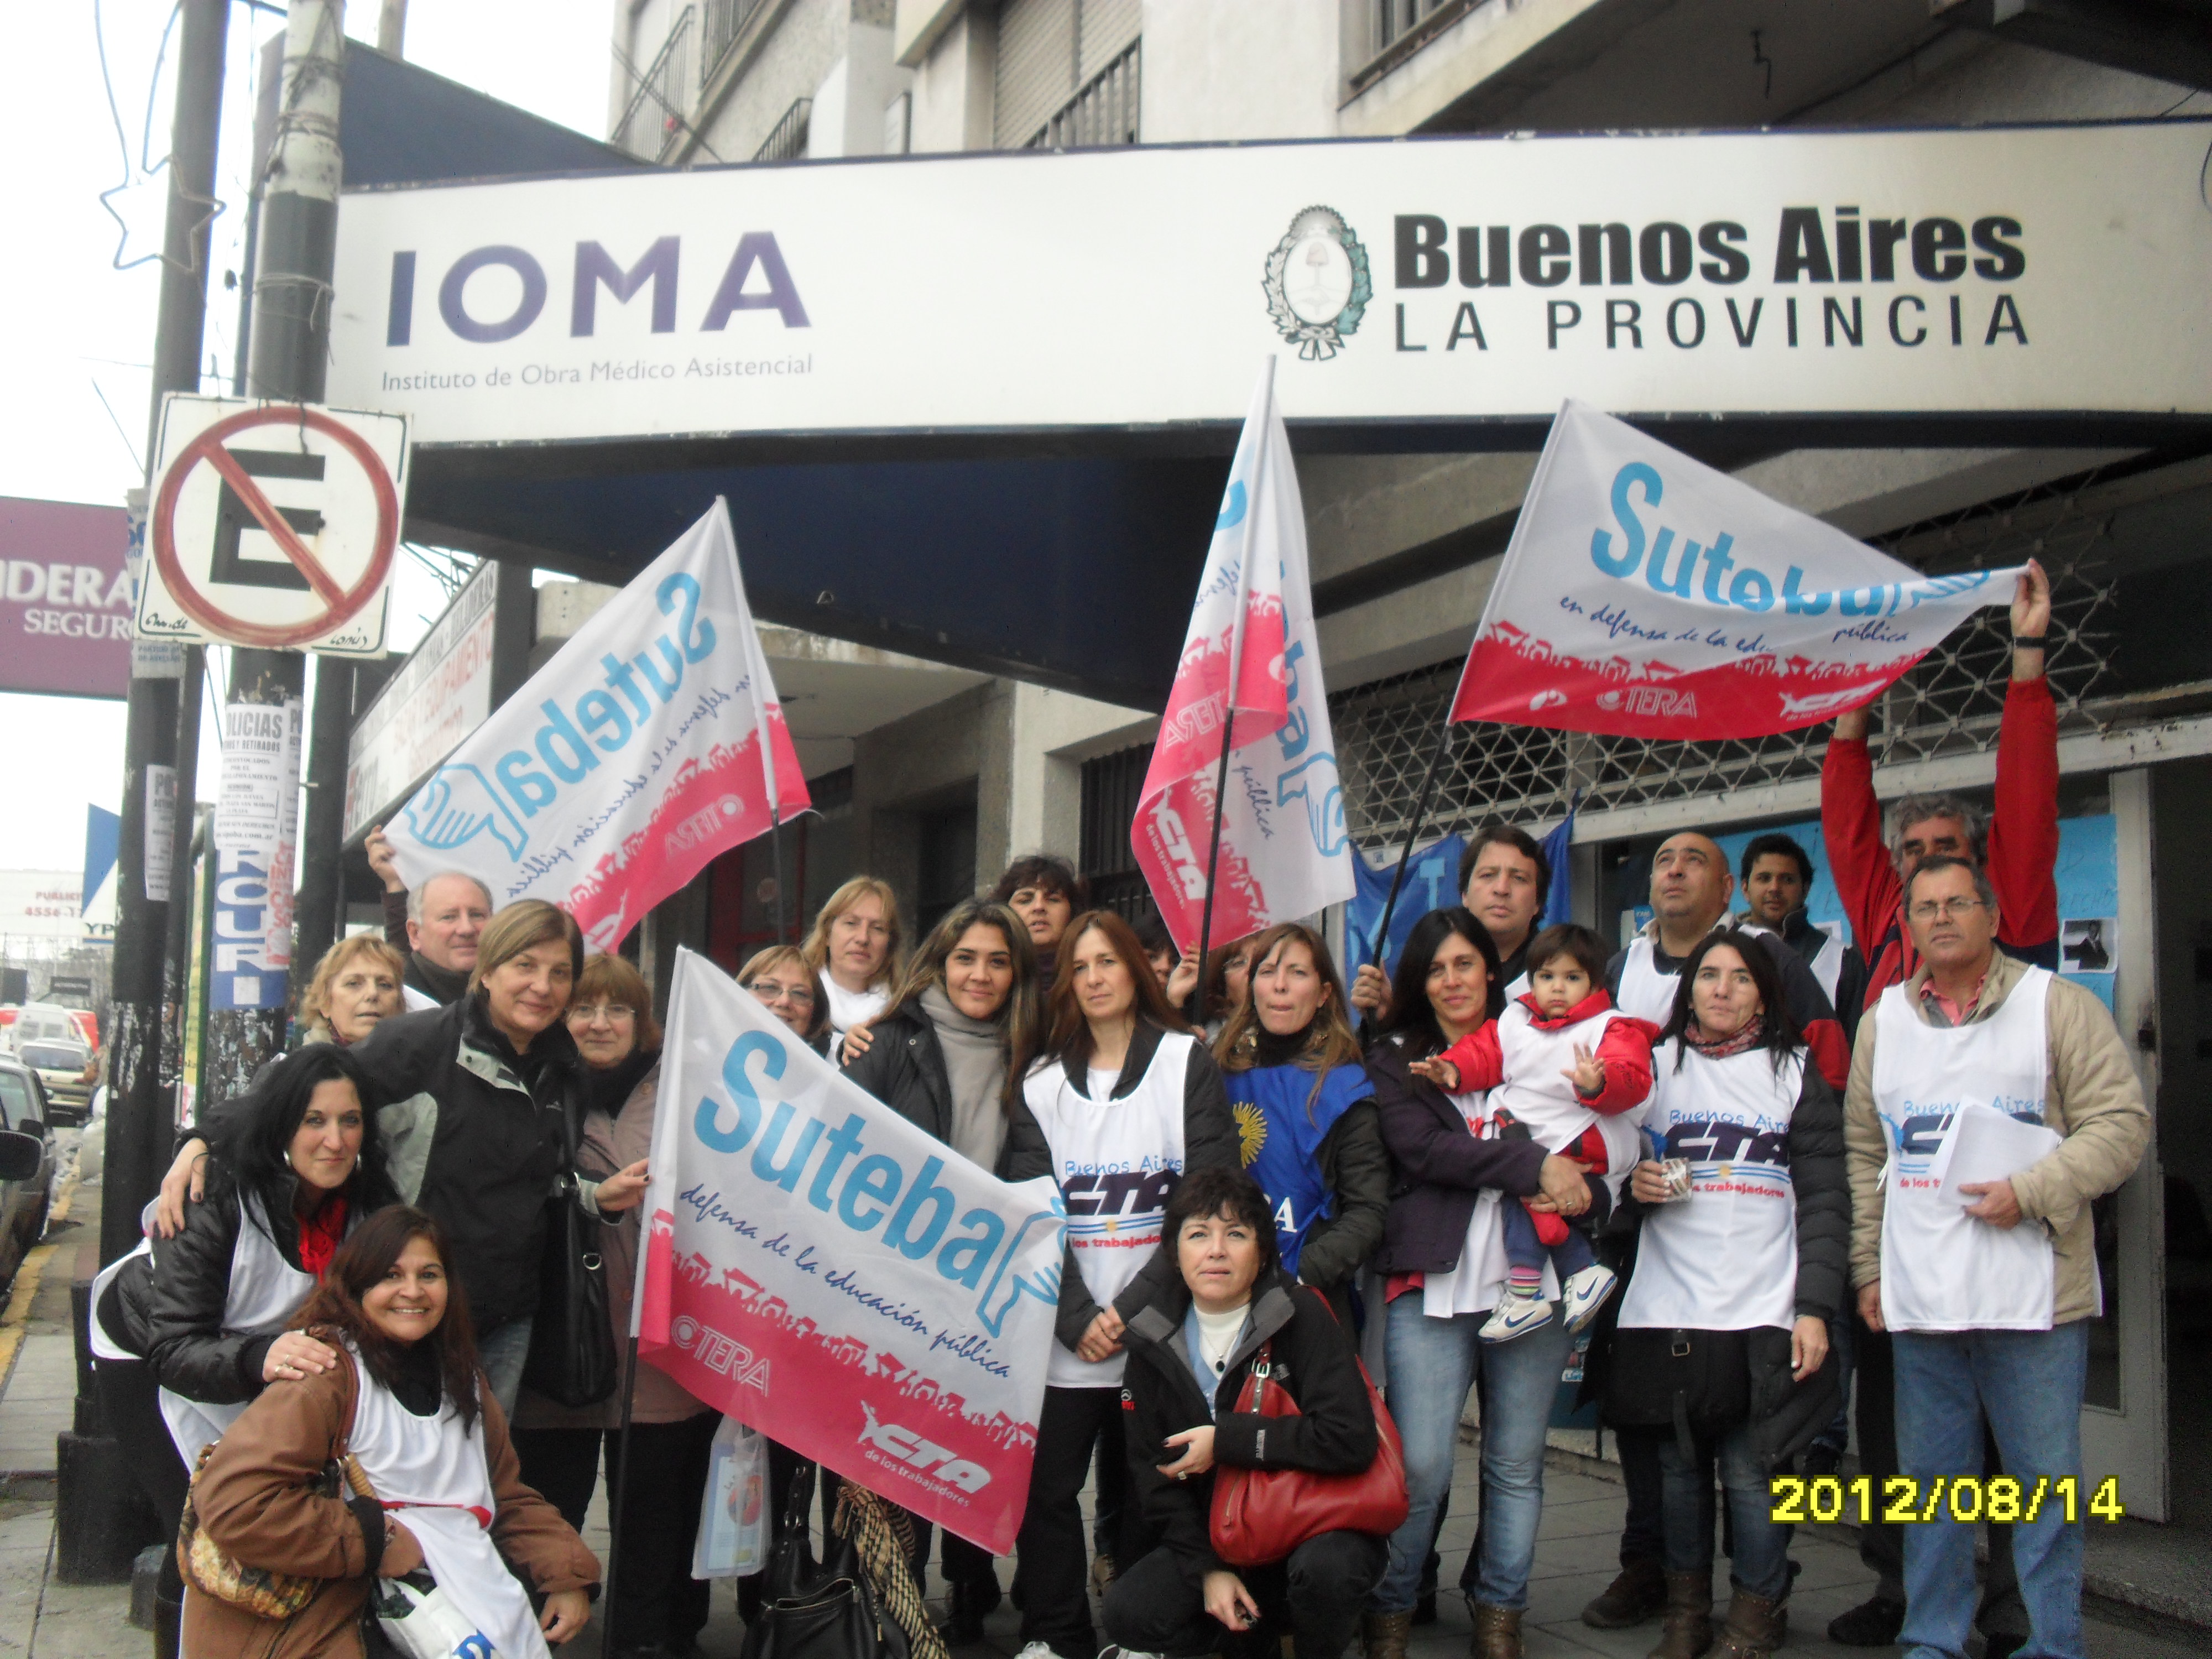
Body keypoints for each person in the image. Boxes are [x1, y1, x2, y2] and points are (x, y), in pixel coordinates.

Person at [1818, 567, 2061, 1653]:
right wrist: (1849, 711)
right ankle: (1904, 1593)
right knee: (1895, 1430)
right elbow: (1846, 827)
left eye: (1947, 858)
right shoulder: (1886, 926)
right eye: (1910, 860)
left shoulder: (2016, 919)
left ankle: (2008, 1607)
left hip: (2008, 1230)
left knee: (2011, 1435)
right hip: (1905, 1241)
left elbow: (2028, 802)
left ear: (1984, 882)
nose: (1926, 878)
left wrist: (2026, 663)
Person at [161, 901, 645, 1418]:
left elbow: (543, 1175)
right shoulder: (416, 1044)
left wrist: (594, 1194)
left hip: (507, 1317)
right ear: (487, 971)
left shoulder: (565, 1069)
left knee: (480, 1461)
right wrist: (201, 1140)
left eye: (560, 973)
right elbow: (294, 1091)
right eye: (524, 966)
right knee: (392, 1461)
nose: (542, 987)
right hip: (406, 1309)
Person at [1845, 855, 2148, 1659]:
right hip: (1923, 1300)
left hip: (2035, 1298)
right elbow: (1864, 1151)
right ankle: (1932, 1641)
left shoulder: (2060, 1005)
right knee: (1931, 1491)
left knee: (2043, 1490)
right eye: (1926, 908)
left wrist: (2032, 1189)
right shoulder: (1882, 1021)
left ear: (1992, 915)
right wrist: (1868, 1267)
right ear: (1908, 926)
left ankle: (2052, 1645)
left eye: (1958, 903)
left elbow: (2121, 1126)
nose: (1941, 918)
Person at [1585, 829, 1849, 1632]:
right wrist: (1634, 1189)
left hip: (1764, 1307)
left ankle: (1755, 1615)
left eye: (1740, 978)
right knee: (1676, 1475)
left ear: (1765, 994)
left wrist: (1816, 1307)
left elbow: (1826, 1199)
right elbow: (1604, 1181)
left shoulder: (1794, 1071)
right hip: (1666, 1308)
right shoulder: (1652, 1069)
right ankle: (1687, 1616)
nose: (1723, 989)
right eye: (1709, 976)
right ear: (1688, 990)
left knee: (1754, 1473)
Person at [90, 1045, 397, 1659]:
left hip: (258, 1360)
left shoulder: (369, 1202)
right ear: (282, 1125)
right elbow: (176, 1345)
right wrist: (259, 1357)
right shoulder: (214, 1192)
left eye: (350, 1121)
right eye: (314, 1121)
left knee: (272, 1515)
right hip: (151, 1356)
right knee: (204, 1520)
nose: (335, 1140)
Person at [184, 1207, 600, 1657]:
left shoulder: (463, 1379)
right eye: (391, 1275)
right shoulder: (326, 1376)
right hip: (344, 1618)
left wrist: (565, 1573)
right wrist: (374, 1540)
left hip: (468, 1610)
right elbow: (237, 1501)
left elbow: (504, 1495)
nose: (413, 1291)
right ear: (357, 1286)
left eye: (429, 1275)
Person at [1361, 908, 1601, 1659]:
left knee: (1516, 1462)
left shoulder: (1537, 1040)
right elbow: (1427, 1151)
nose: (1452, 980)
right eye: (1436, 969)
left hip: (1534, 1289)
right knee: (1422, 1466)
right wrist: (1535, 1166)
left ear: (1493, 972)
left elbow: (1598, 1140)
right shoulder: (1395, 1060)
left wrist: (1591, 1183)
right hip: (1432, 1286)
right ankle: (1391, 1607)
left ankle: (1501, 1608)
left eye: (1465, 963)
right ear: (1418, 981)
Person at [1009, 910, 1239, 1659]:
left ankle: (1142, 1637)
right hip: (1068, 1333)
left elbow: (1209, 1198)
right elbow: (1030, 1209)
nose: (1094, 978)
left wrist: (1132, 1311)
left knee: (1153, 1491)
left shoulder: (1183, 1060)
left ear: (1136, 971)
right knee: (1046, 1490)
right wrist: (1079, 1314)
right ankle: (1055, 1635)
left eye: (1107, 961)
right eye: (1079, 967)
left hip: (1160, 1330)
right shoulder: (1040, 1083)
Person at [840, 897, 1043, 1629]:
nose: (979, 975)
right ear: (939, 962)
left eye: (997, 961)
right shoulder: (888, 1040)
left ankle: (969, 1584)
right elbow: (845, 1151)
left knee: (973, 1441)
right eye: (965, 958)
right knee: (899, 1445)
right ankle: (892, 1606)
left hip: (991, 1283)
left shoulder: (1036, 1047)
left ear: (1017, 972)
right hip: (898, 1283)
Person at [509, 952, 718, 1658]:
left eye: (617, 1009)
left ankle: (642, 1641)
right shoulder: (536, 1085)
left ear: (642, 1019)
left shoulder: (684, 1089)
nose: (600, 1023)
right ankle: (537, 1637)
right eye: (584, 1008)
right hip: (562, 1337)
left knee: (654, 1514)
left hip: (660, 1342)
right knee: (548, 1506)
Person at [1104, 1166, 1388, 1659]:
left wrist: (1228, 1441)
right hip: (1220, 1536)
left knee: (1329, 1573)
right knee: (1129, 1613)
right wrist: (1207, 1571)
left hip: (1312, 1526)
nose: (1216, 1250)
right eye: (1198, 1235)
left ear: (1262, 1253)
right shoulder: (1152, 1337)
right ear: (1175, 1252)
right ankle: (1252, 1636)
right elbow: (1154, 1478)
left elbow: (1351, 1439)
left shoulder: (1302, 1315)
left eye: (1235, 1234)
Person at [1413, 923, 1652, 1342]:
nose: (1557, 988)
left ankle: (1528, 1291)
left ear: (1595, 983)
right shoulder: (1516, 1020)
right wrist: (1452, 1069)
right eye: (1546, 976)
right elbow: (1484, 1053)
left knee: (1521, 1182)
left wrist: (1598, 1082)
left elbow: (1632, 1077)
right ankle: (1578, 1271)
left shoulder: (1612, 1027)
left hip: (1585, 1136)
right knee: (1528, 1191)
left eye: (1572, 977)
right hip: (1540, 1141)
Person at [1214, 924, 1389, 1313]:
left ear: (1324, 993)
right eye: (1267, 972)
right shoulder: (1216, 1075)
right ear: (1252, 987)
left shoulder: (1345, 1088)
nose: (1280, 986)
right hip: (1221, 1290)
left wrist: (1293, 1275)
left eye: (1297, 972)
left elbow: (1367, 1212)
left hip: (1309, 1297)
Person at [1352, 821, 1552, 1024]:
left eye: (1519, 878)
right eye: (1488, 875)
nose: (1501, 889)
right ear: (1464, 893)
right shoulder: (1429, 968)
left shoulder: (1559, 974)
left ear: (1539, 901)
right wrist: (1387, 1018)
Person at [1736, 832, 1866, 1045]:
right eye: (1764, 878)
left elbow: (1853, 1049)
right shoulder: (1719, 953)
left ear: (1805, 890)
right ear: (1745, 889)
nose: (1774, 888)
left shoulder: (1842, 960)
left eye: (1787, 879)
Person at [365, 824, 494, 1010]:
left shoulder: (518, 998)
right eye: (449, 917)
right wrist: (396, 881)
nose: (466, 929)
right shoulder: (392, 1006)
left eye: (477, 915)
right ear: (414, 934)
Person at [802, 875, 904, 1046]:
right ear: (827, 934)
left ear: (890, 944)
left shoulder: (904, 1017)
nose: (863, 938)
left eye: (878, 928)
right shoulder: (795, 1004)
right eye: (851, 923)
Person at [992, 853, 1089, 990]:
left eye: (1053, 899)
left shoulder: (1091, 978)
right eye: (1025, 900)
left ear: (1072, 910)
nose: (1039, 907)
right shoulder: (989, 978)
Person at [295, 935, 408, 1047]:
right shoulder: (304, 1058)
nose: (372, 993)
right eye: (353, 983)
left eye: (385, 985)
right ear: (325, 1002)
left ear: (399, 1004)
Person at [739, 942, 832, 1053]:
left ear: (816, 1012)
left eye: (799, 994)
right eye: (770, 987)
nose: (784, 1002)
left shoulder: (836, 1061)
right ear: (741, 992)